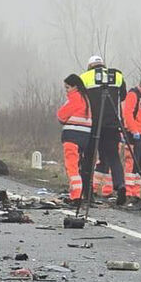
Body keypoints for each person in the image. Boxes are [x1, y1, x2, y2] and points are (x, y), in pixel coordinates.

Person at [80, 55, 128, 206]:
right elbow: (124, 96)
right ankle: (120, 184)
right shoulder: (117, 76)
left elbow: (81, 100)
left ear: (90, 66)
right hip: (112, 123)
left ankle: (88, 194)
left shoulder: (84, 78)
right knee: (113, 156)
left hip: (93, 124)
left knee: (88, 157)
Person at [56, 74, 93, 203]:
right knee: (78, 165)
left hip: (72, 136)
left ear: (74, 86)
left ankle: (76, 195)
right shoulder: (86, 99)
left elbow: (61, 115)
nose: (66, 90)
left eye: (67, 87)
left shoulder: (75, 98)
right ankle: (77, 192)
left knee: (71, 166)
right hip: (85, 137)